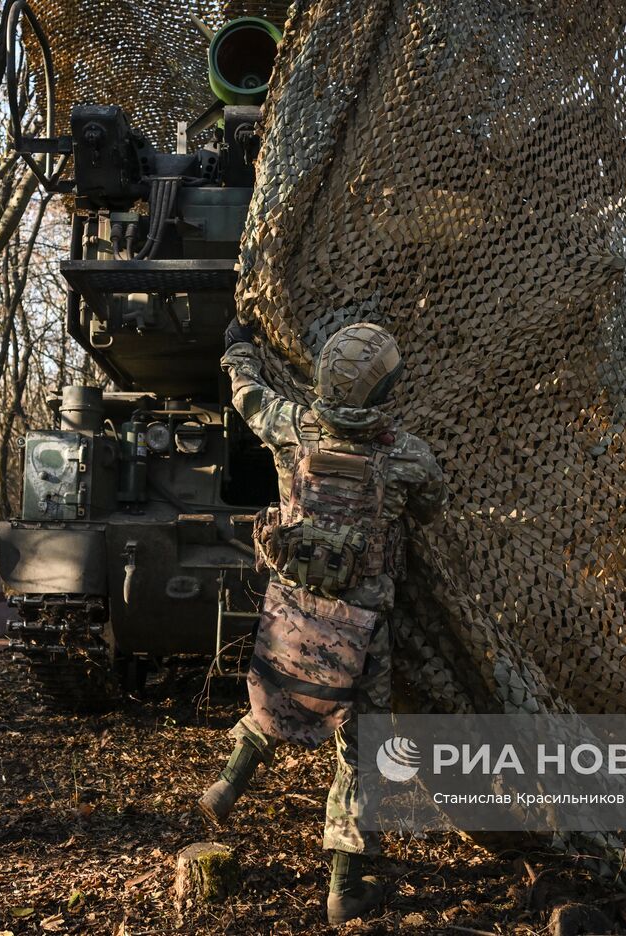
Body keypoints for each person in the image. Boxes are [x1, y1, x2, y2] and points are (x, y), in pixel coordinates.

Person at [198, 317, 448, 925]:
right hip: (363, 624)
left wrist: (237, 345)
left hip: (293, 603)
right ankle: (344, 887)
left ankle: (229, 783)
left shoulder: (293, 426)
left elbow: (246, 394)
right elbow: (434, 506)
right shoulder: (406, 455)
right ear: (383, 392)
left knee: (281, 689)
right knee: (362, 749)